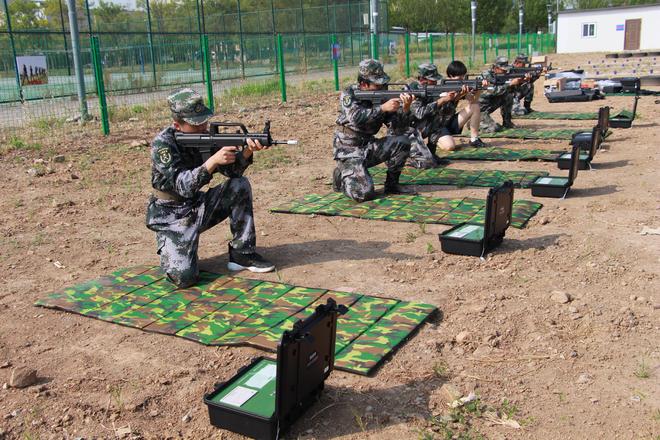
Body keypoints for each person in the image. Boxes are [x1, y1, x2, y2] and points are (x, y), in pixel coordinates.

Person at [146, 88, 275, 288]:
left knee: (239, 185)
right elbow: (182, 186)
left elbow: (232, 172)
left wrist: (248, 151)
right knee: (184, 278)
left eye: (203, 121)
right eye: (195, 124)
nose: (202, 127)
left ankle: (242, 254)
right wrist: (212, 162)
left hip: (197, 207)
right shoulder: (163, 145)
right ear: (177, 125)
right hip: (170, 216)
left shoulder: (206, 136)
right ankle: (178, 246)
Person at [332, 59, 416, 202]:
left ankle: (392, 185)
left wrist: (406, 109)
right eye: (378, 85)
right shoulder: (349, 93)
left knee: (402, 142)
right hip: (348, 150)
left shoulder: (382, 97)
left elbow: (398, 128)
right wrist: (382, 108)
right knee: (364, 193)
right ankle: (342, 174)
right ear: (364, 84)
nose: (382, 88)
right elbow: (355, 117)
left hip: (368, 146)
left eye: (384, 84)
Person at [409, 62, 488, 159]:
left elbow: (473, 101)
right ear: (422, 79)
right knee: (450, 146)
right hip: (432, 126)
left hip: (447, 122)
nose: (435, 82)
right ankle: (436, 141)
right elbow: (420, 113)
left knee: (475, 106)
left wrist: (479, 89)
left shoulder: (447, 85)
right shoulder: (415, 89)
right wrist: (444, 99)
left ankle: (474, 139)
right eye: (432, 80)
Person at [479, 56, 528, 133]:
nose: (505, 72)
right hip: (479, 109)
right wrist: (510, 84)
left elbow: (512, 91)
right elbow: (493, 91)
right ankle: (474, 122)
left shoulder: (500, 75)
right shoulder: (486, 75)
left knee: (508, 96)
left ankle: (507, 122)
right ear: (496, 68)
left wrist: (520, 82)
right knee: (494, 129)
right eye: (503, 70)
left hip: (489, 105)